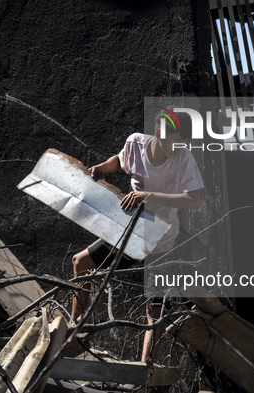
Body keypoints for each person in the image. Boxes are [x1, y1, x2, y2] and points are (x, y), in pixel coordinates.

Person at [71, 118, 204, 362]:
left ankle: (146, 370)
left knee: (155, 310)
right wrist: (100, 169)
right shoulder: (135, 143)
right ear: (159, 135)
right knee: (81, 263)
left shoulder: (184, 158)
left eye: (184, 142)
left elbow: (193, 200)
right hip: (131, 231)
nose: (180, 147)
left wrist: (147, 194)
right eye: (176, 141)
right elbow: (120, 161)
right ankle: (74, 333)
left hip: (161, 240)